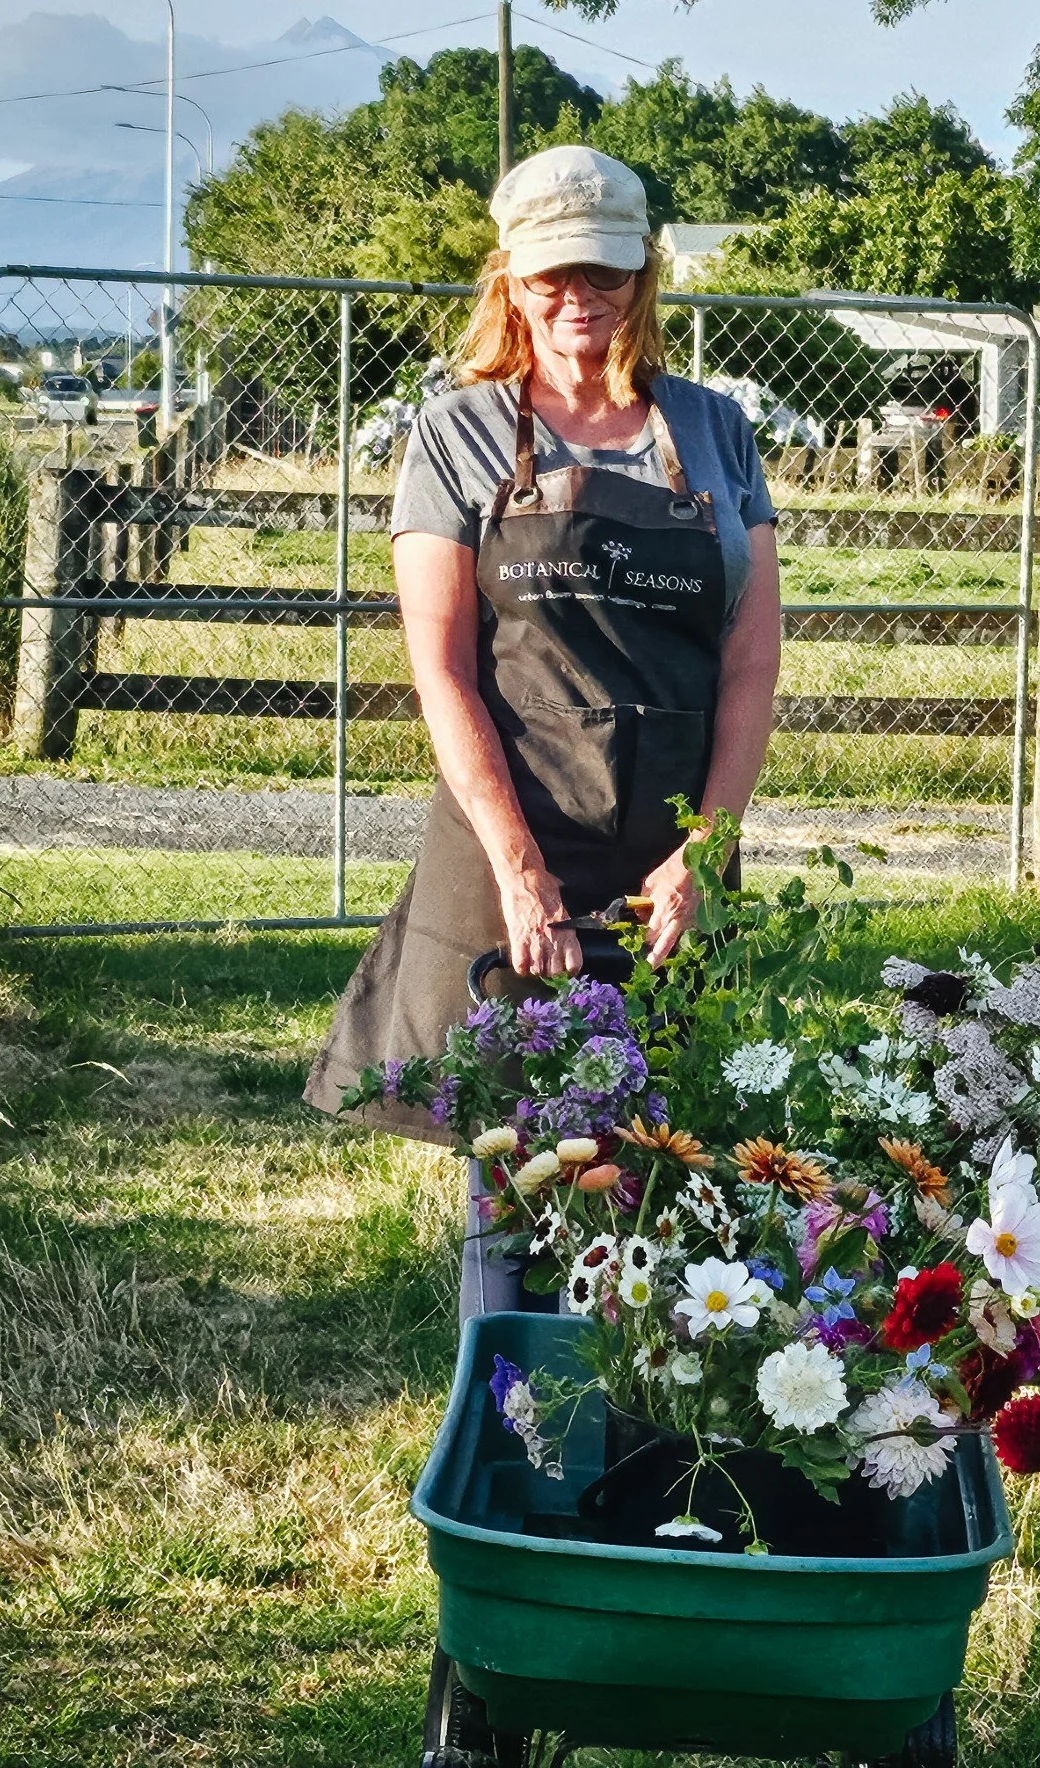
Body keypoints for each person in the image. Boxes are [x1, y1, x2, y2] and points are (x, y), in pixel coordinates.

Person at [305, 144, 781, 1197]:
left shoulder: (716, 431)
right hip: (515, 830)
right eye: (551, 275)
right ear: (510, 282)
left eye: (603, 272)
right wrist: (522, 871)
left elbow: (751, 662)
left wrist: (706, 849)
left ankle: (646, 1358)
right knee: (513, 1157)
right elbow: (443, 670)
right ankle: (508, 1360)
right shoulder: (455, 434)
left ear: (643, 275)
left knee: (674, 1159)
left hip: (675, 840)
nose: (578, 298)